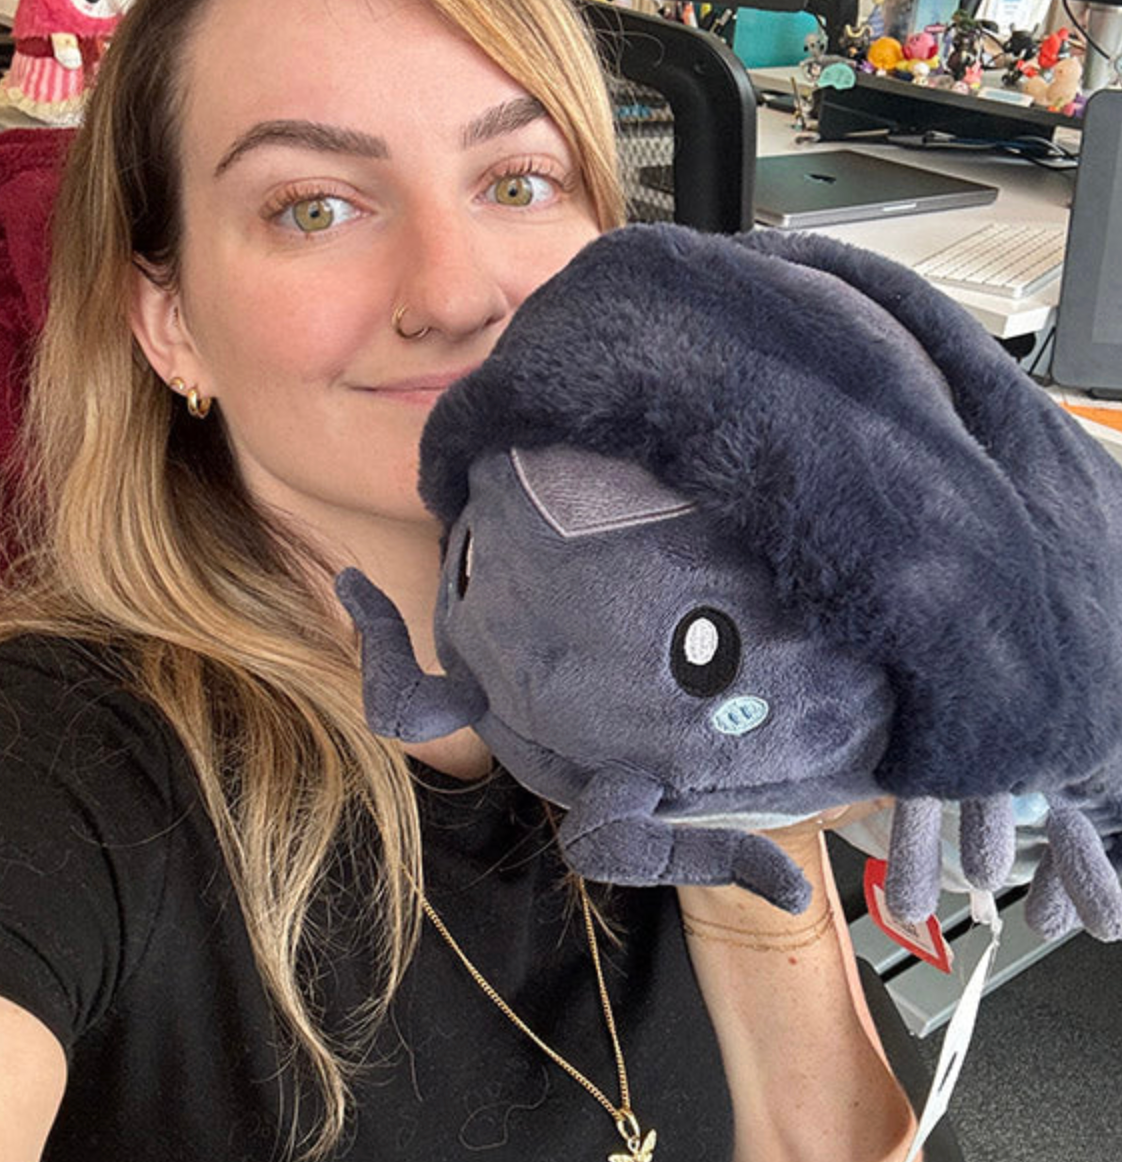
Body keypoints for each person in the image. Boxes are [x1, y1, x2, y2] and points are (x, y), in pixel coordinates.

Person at [0, 1, 918, 1159]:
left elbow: (817, 1133)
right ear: (170, 322)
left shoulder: (691, 634)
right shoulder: (62, 764)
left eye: (520, 180)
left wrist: (757, 743)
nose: (456, 296)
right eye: (314, 208)